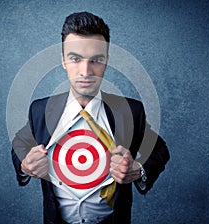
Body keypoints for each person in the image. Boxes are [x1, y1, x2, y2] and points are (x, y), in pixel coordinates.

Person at [11, 11, 170, 224]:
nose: (85, 71)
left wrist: (138, 170)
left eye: (96, 60)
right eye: (75, 59)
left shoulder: (130, 112)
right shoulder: (40, 110)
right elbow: (19, 146)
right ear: (63, 61)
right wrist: (25, 165)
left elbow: (159, 150)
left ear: (106, 62)